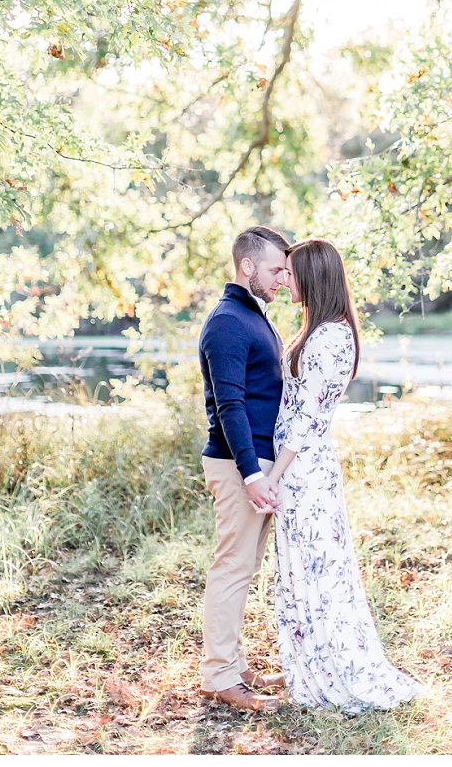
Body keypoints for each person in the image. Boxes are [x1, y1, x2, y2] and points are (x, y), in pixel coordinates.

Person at [262, 237, 424, 713]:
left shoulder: (331, 336)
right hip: (303, 466)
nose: (285, 278)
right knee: (305, 567)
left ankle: (335, 668)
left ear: (313, 276)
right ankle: (310, 660)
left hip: (304, 467)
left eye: (291, 272)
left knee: (320, 569)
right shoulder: (320, 331)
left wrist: (274, 474)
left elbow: (307, 415)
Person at [196, 225, 292, 714]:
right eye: (276, 269)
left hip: (256, 462)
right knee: (232, 568)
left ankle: (232, 663)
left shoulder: (253, 316)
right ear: (247, 267)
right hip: (239, 465)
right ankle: (218, 676)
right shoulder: (228, 321)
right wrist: (253, 474)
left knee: (244, 568)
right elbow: (230, 405)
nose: (282, 279)